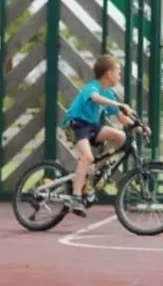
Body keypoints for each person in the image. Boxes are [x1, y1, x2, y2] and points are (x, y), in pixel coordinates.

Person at [62, 54, 150, 216]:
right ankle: (75, 196)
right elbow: (95, 99)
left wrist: (139, 127)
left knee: (121, 137)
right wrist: (120, 104)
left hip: (92, 126)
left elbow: (121, 116)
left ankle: (103, 167)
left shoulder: (109, 93)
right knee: (87, 157)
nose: (119, 76)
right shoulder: (93, 87)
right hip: (76, 125)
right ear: (109, 74)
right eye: (118, 72)